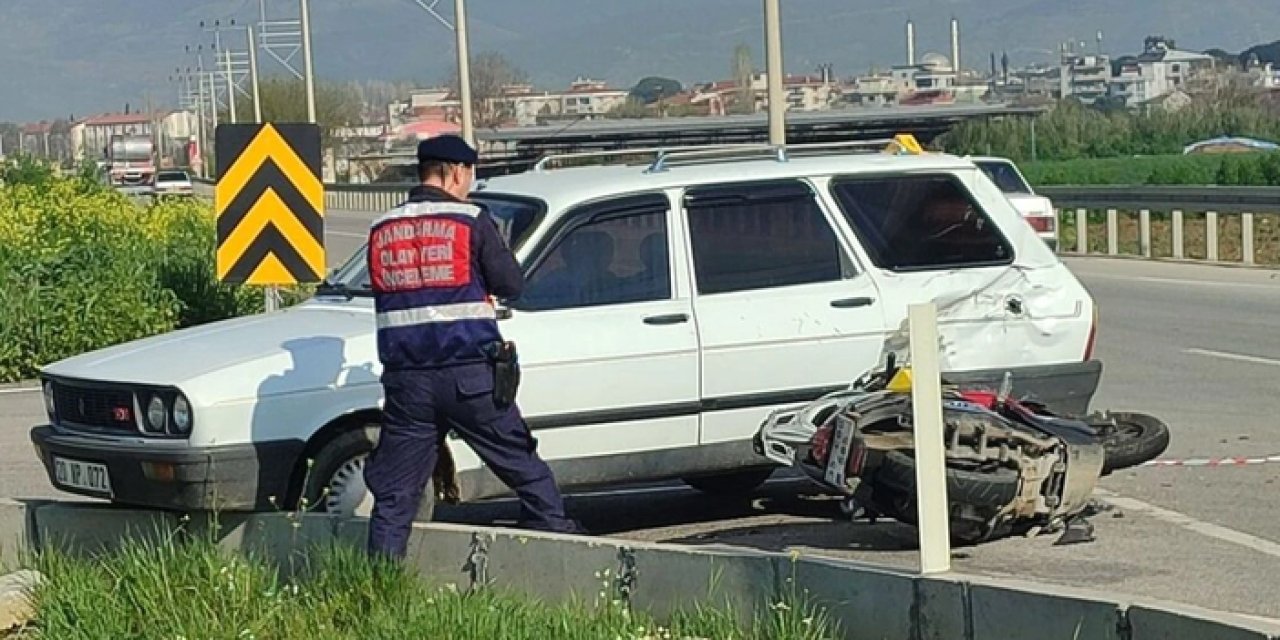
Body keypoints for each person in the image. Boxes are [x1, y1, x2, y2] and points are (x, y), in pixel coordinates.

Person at [363, 134, 582, 560]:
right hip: (469, 376)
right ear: (455, 171)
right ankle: (563, 551)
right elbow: (510, 284)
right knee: (521, 464)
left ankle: (379, 584)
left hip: (407, 383)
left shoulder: (381, 228)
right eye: (469, 174)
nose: (469, 183)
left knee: (395, 495)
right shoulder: (470, 220)